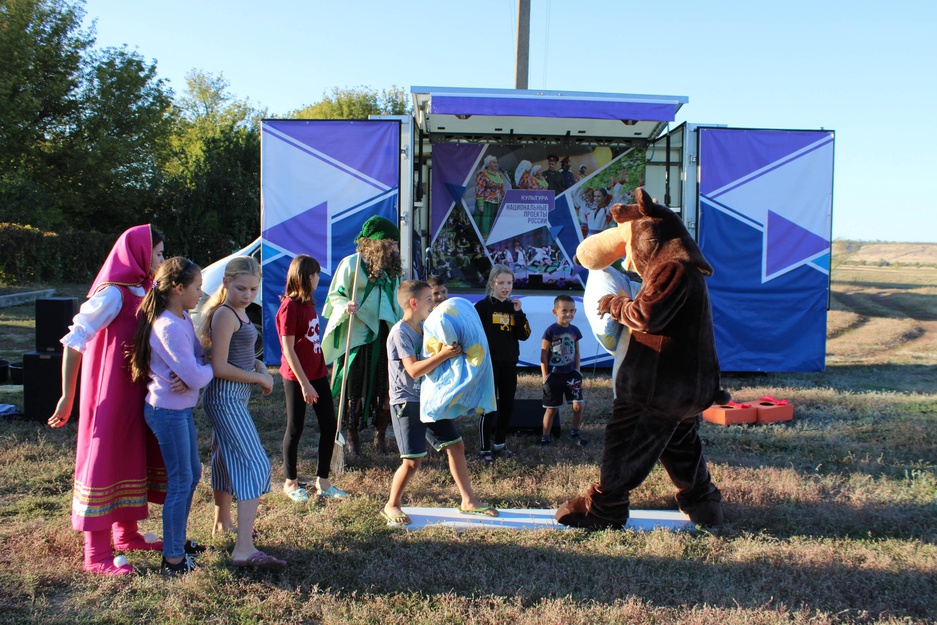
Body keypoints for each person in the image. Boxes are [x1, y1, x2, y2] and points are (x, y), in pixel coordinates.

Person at [48, 224, 168, 576]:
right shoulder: (113, 294)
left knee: (131, 456)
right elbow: (74, 339)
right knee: (105, 460)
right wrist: (67, 395)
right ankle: (96, 554)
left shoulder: (145, 288)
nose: (160, 260)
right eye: (157, 253)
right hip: (110, 393)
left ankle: (126, 534)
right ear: (139, 254)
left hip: (137, 390)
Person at [381, 281, 498, 527]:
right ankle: (392, 504)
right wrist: (443, 354)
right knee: (413, 461)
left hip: (429, 399)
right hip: (407, 402)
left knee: (455, 445)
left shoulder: (425, 326)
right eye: (428, 300)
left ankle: (468, 500)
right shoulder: (400, 332)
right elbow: (412, 370)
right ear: (414, 303)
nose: (432, 304)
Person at [197, 256, 285, 570]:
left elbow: (238, 355)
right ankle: (244, 549)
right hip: (225, 399)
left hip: (234, 398)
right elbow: (218, 367)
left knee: (223, 459)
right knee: (257, 465)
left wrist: (257, 365)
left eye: (252, 289)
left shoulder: (238, 312)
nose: (247, 295)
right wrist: (260, 377)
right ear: (226, 284)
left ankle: (223, 523)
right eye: (241, 288)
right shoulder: (224, 314)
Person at [130, 257, 213, 575]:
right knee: (181, 482)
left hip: (180, 411)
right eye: (197, 288)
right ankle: (174, 558)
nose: (200, 294)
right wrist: (202, 371)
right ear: (179, 288)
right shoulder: (167, 325)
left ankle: (177, 542)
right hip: (167, 412)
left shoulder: (182, 318)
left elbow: (196, 357)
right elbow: (198, 372)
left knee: (191, 476)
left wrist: (195, 369)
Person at [322, 216, 404, 455]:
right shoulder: (351, 264)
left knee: (385, 386)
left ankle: (380, 434)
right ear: (378, 243)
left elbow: (397, 303)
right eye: (391, 243)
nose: (396, 249)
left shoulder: (393, 271)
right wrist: (346, 305)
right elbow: (334, 296)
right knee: (354, 387)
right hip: (356, 336)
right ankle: (352, 434)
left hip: (385, 335)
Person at [276, 254, 347, 502]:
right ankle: (290, 482)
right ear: (308, 276)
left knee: (329, 425)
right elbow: (288, 349)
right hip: (297, 378)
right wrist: (304, 384)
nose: (318, 279)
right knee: (295, 428)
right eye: (316, 274)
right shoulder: (289, 307)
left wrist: (320, 374)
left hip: (317, 374)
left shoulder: (308, 304)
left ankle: (323, 482)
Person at [474, 264, 531, 463]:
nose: (506, 287)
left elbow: (524, 335)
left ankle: (500, 443)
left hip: (509, 363)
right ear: (492, 284)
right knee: (489, 405)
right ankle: (484, 449)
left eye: (509, 283)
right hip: (489, 364)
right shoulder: (482, 307)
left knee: (507, 404)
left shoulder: (513, 307)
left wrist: (519, 313)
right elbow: (473, 335)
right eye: (501, 283)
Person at [540, 295, 587, 447]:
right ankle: (545, 436)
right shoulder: (550, 330)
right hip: (554, 376)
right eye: (565, 311)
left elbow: (577, 352)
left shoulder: (575, 331)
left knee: (578, 406)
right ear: (555, 312)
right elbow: (543, 354)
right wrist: (545, 376)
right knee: (552, 409)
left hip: (572, 375)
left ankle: (575, 432)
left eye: (572, 311)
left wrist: (578, 371)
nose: (569, 314)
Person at [474, 155, 504, 240]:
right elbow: (479, 189)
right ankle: (484, 240)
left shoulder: (499, 175)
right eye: (494, 162)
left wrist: (504, 199)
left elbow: (501, 189)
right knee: (486, 222)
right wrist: (480, 204)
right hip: (487, 203)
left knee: (496, 221)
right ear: (488, 164)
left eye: (497, 162)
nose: (496, 164)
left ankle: (494, 238)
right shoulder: (482, 174)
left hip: (498, 202)